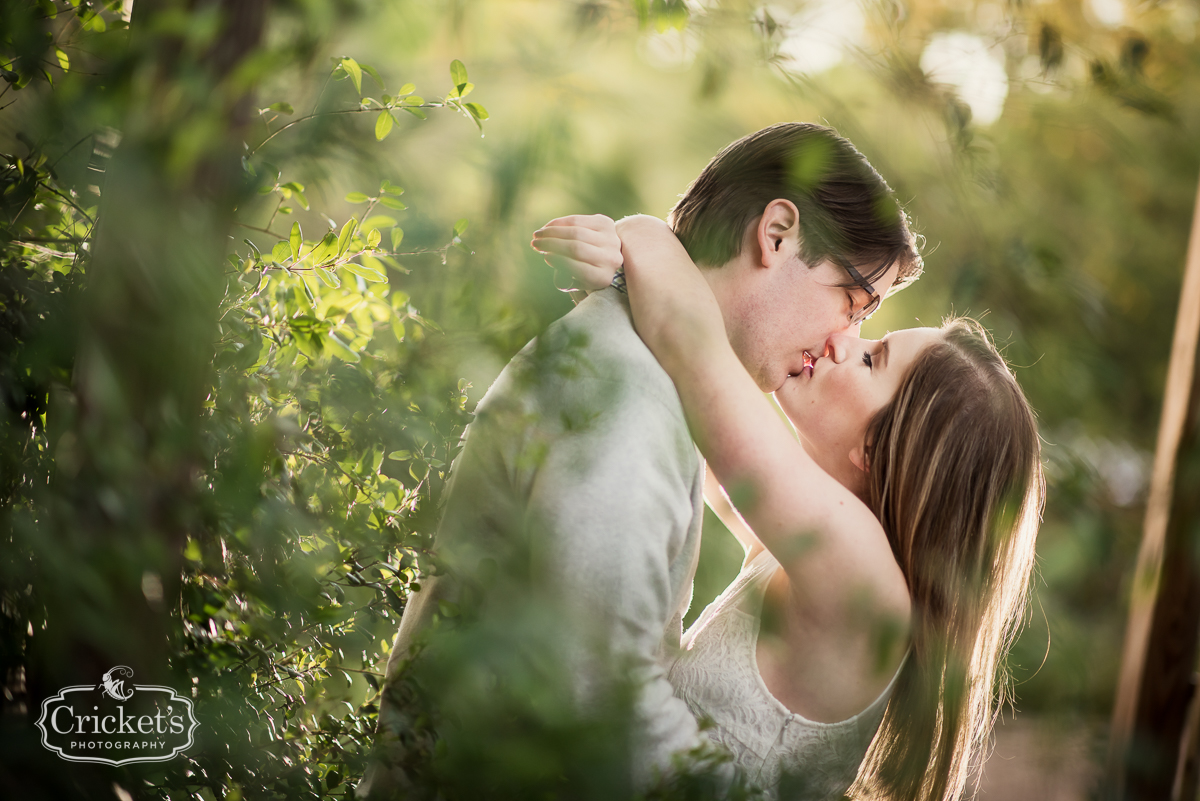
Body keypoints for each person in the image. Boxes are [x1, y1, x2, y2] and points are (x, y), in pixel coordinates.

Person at [360, 122, 923, 797]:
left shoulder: (656, 381)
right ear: (776, 235)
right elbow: (602, 699)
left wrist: (640, 245)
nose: (842, 339)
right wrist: (640, 243)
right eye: (853, 301)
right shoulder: (624, 395)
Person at [531, 213, 1043, 801]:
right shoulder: (818, 557)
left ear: (876, 447)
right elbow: (698, 422)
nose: (842, 341)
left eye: (872, 359)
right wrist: (617, 268)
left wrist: (641, 236)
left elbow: (692, 347)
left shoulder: (862, 583)